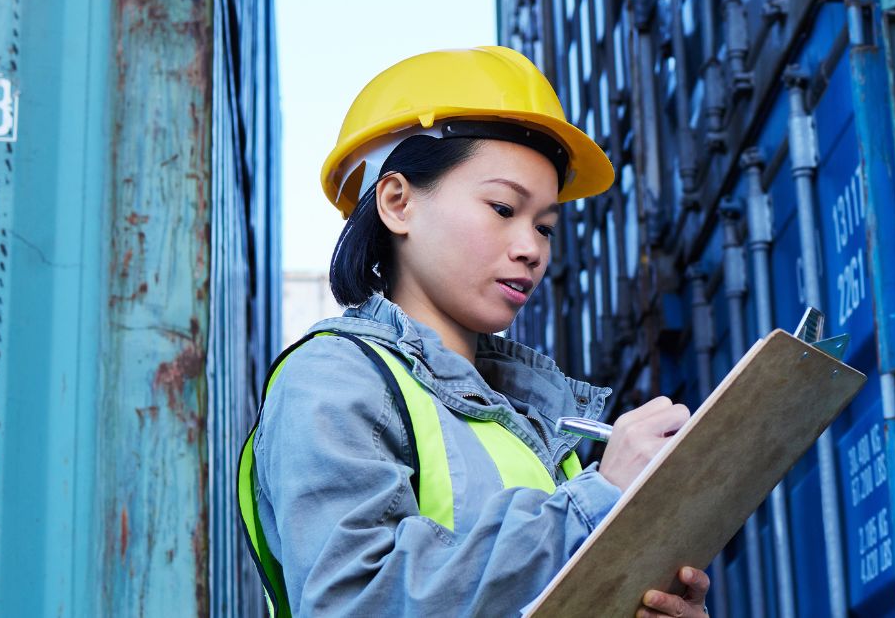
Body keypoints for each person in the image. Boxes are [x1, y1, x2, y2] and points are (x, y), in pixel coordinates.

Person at [238, 46, 712, 617]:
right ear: (398, 202)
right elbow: (355, 602)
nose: (531, 248)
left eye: (545, 226)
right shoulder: (333, 380)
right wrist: (594, 505)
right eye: (503, 208)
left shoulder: (534, 426)